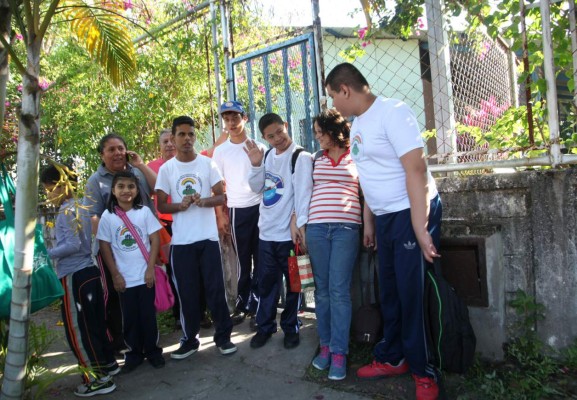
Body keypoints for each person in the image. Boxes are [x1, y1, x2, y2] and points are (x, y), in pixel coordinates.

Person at [325, 62, 442, 400]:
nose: (334, 105)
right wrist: (370, 219)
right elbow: (368, 176)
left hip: (411, 212)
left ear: (345, 90)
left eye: (334, 96)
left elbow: (416, 169)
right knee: (388, 290)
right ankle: (394, 357)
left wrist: (420, 228)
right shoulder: (358, 124)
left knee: (411, 293)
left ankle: (424, 372)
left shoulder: (393, 111)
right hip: (387, 216)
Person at [155, 115, 237, 359]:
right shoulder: (167, 169)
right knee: (188, 294)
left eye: (191, 134)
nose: (187, 138)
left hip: (208, 240)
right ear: (173, 137)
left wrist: (204, 201)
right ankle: (190, 340)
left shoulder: (207, 164)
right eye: (181, 134)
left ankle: (223, 338)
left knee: (215, 291)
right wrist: (179, 206)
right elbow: (161, 204)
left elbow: (221, 197)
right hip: (181, 243)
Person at [41, 165, 118, 397]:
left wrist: (46, 253)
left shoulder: (66, 211)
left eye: (48, 189)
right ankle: (107, 364)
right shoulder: (82, 206)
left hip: (75, 276)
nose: (47, 194)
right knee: (94, 324)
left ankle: (97, 379)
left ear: (60, 185)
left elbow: (72, 245)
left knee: (78, 330)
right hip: (90, 272)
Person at [244, 113, 313, 350]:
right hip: (267, 235)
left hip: (289, 237)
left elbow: (304, 195)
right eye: (270, 136)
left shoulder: (300, 157)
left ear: (286, 126)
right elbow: (256, 188)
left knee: (295, 285)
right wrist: (255, 164)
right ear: (264, 137)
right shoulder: (266, 156)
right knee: (267, 284)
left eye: (279, 132)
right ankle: (265, 327)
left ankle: (291, 327)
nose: (277, 139)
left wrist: (299, 225)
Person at [84, 133, 157, 352]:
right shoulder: (95, 180)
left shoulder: (136, 172)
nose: (117, 153)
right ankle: (122, 343)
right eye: (111, 149)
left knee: (147, 294)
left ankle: (151, 344)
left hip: (145, 249)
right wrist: (107, 249)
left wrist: (141, 165)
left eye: (120, 148)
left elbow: (157, 189)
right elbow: (94, 216)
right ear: (102, 154)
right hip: (114, 251)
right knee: (117, 296)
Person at [306, 109, 361, 381]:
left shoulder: (357, 155)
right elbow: (303, 191)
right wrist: (300, 224)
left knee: (339, 291)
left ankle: (340, 351)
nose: (317, 137)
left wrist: (370, 226)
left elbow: (368, 192)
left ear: (333, 131)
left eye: (320, 132)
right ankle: (325, 345)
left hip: (347, 228)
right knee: (322, 291)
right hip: (316, 229)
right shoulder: (315, 159)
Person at [96, 171, 165, 373]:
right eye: (121, 186)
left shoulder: (144, 213)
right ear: (113, 190)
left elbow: (155, 239)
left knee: (148, 317)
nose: (126, 190)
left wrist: (150, 269)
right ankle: (134, 354)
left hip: (145, 276)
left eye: (131, 186)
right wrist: (115, 274)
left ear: (136, 190)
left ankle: (153, 352)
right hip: (124, 279)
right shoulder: (107, 218)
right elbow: (104, 246)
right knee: (130, 318)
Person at [213, 101, 266, 328]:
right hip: (236, 210)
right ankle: (243, 304)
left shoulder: (259, 147)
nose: (231, 123)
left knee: (262, 259)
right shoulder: (221, 151)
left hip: (261, 209)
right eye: (227, 119)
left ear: (245, 118)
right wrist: (220, 215)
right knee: (243, 261)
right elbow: (216, 186)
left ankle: (260, 307)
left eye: (235, 117)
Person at [147, 129, 181, 327]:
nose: (169, 144)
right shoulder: (152, 167)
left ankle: (200, 312)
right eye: (164, 141)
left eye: (171, 140)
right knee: (171, 269)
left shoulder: (186, 163)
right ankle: (177, 314)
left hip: (185, 223)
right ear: (159, 145)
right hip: (164, 227)